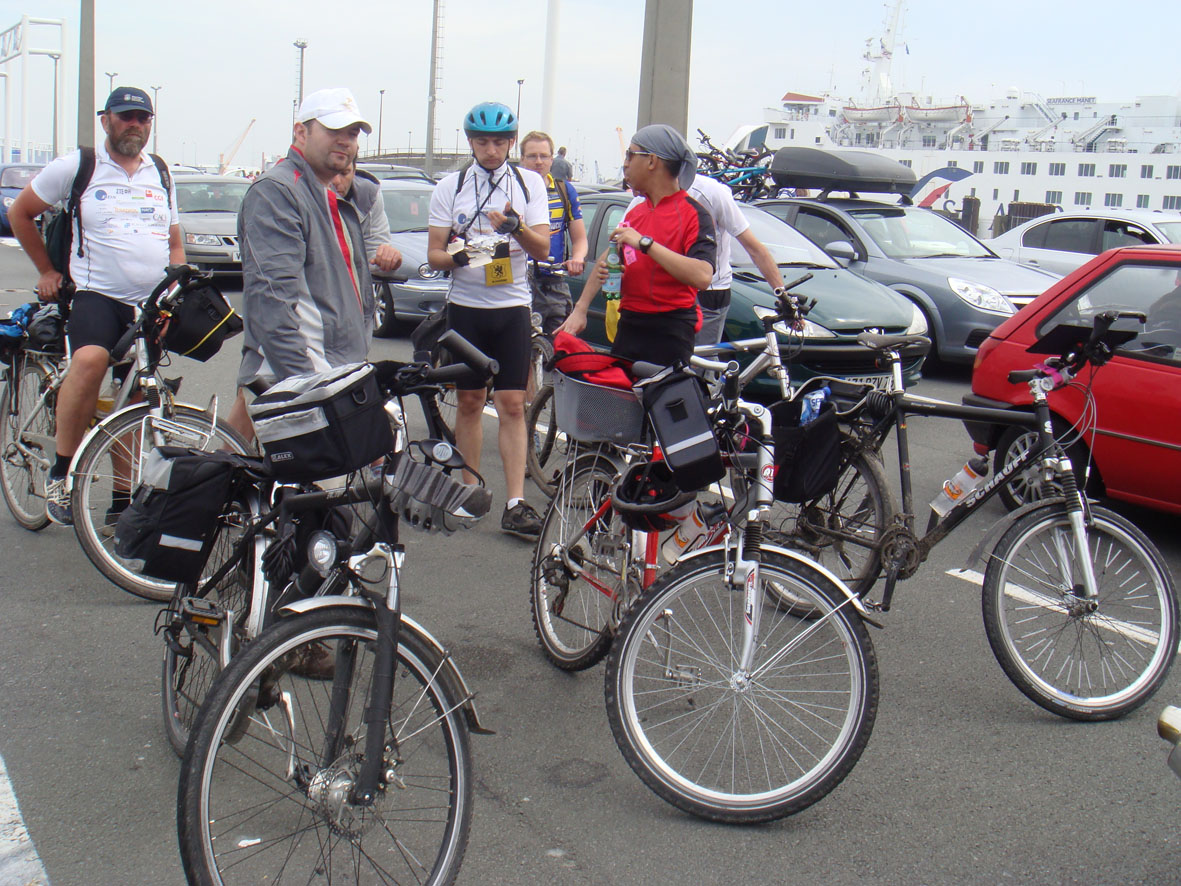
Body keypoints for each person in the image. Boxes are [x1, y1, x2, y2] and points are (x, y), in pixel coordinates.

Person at [9, 86, 183, 525]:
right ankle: (62, 473)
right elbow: (20, 213)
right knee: (90, 362)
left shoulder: (160, 172)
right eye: (126, 117)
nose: (135, 125)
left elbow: (174, 242)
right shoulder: (78, 166)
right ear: (106, 120)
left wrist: (174, 294)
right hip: (96, 295)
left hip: (148, 304)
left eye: (143, 118)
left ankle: (121, 501)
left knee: (135, 396)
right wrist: (47, 271)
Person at [427, 101, 551, 538]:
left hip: (511, 306)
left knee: (513, 404)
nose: (492, 150)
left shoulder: (529, 183)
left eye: (499, 142)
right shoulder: (451, 186)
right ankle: (469, 492)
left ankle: (516, 503)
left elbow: (542, 249)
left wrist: (515, 227)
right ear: (470, 142)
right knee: (469, 401)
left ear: (512, 142)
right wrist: (458, 256)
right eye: (483, 142)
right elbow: (434, 254)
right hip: (467, 306)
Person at [227, 87, 378, 440]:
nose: (345, 141)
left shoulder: (324, 193)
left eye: (352, 133)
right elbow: (271, 300)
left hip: (334, 368)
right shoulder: (278, 191)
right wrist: (307, 385)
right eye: (334, 130)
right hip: (307, 374)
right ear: (301, 132)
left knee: (235, 457)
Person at [560, 124, 715, 366]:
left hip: (670, 329)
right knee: (619, 390)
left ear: (652, 161)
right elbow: (608, 257)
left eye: (630, 155)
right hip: (630, 324)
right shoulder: (636, 212)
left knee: (661, 391)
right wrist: (581, 308)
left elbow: (703, 276)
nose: (626, 165)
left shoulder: (694, 214)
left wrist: (645, 244)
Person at [519, 131, 587, 334]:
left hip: (555, 281)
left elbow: (580, 239)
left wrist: (578, 258)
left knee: (560, 344)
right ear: (522, 159)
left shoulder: (564, 191)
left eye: (544, 156)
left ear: (551, 159)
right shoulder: (512, 190)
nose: (538, 162)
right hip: (521, 281)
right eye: (532, 156)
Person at [331, 160, 403, 274]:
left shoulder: (368, 195)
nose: (336, 181)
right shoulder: (303, 196)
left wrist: (387, 260)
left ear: (354, 171)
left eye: (344, 173)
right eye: (329, 172)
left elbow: (372, 256)